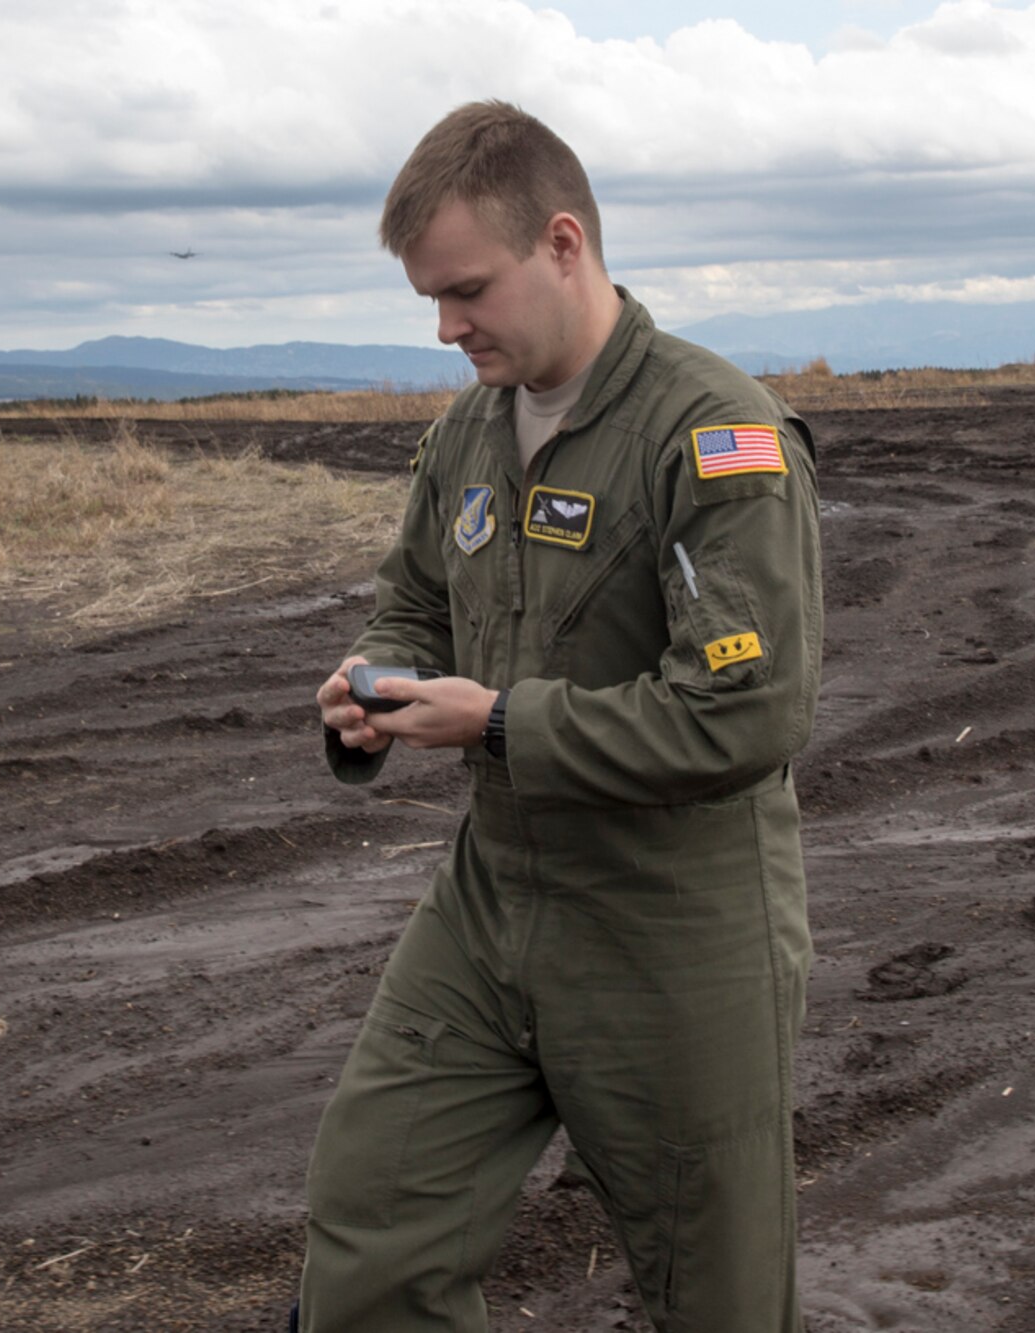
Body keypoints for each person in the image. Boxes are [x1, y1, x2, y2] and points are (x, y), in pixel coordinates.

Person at [301, 101, 823, 1332]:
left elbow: (745, 714)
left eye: (468, 289)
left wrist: (494, 726)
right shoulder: (469, 433)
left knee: (717, 1293)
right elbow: (414, 602)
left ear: (563, 243)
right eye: (428, 299)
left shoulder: (711, 434)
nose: (445, 327)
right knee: (374, 1216)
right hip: (492, 902)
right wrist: (368, 687)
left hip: (674, 928)